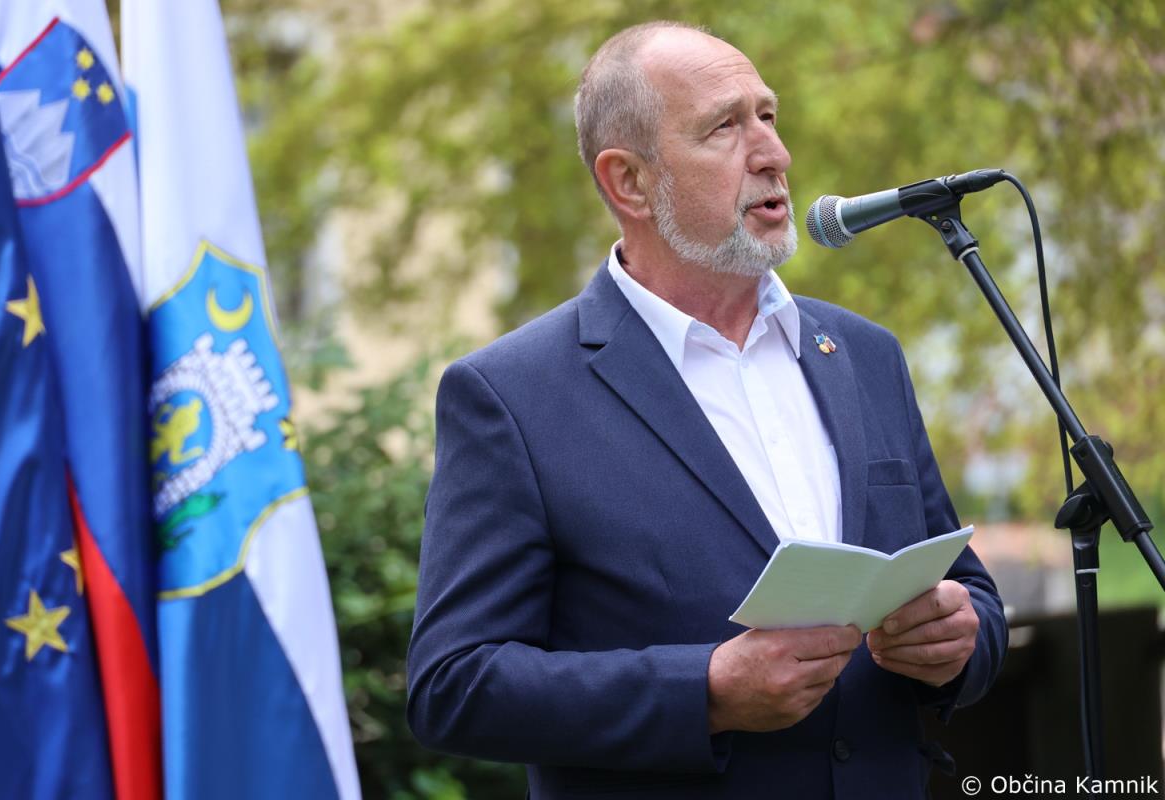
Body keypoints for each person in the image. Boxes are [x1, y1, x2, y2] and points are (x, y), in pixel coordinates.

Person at [406, 21, 1007, 799]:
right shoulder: (512, 396)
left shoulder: (864, 354)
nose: (773, 153)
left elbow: (969, 597)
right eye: (725, 127)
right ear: (629, 182)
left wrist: (960, 640)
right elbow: (453, 685)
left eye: (768, 115)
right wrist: (706, 692)